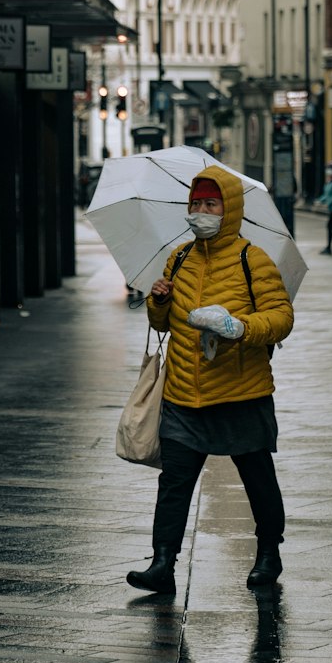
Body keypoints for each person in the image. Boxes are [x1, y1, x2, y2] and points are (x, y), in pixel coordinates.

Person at [126, 165, 295, 595]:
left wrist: (239, 328)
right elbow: (163, 325)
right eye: (196, 204)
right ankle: (162, 562)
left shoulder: (251, 259)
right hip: (184, 392)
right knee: (174, 483)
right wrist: (159, 302)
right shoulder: (178, 258)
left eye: (210, 204)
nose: (201, 211)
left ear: (229, 209)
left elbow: (281, 317)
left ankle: (269, 554)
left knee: (257, 478)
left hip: (241, 393)